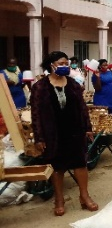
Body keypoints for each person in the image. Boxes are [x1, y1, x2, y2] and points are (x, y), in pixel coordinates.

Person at [30, 51, 97, 216]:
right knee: (57, 166)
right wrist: (39, 137)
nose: (65, 66)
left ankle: (84, 196)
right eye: (61, 63)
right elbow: (36, 114)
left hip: (74, 130)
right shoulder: (40, 87)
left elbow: (82, 108)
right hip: (53, 132)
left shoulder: (74, 84)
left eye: (66, 63)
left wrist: (87, 128)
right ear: (51, 65)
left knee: (80, 164)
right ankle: (59, 200)